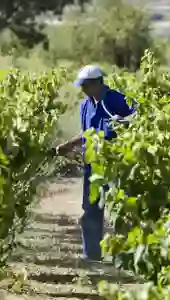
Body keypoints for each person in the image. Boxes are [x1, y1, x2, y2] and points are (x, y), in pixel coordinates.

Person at [55, 65, 135, 261]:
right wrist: (68, 145)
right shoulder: (85, 105)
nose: (83, 89)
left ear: (98, 83)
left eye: (86, 85)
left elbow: (136, 120)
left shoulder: (116, 99)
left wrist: (123, 123)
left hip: (116, 162)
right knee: (90, 209)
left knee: (121, 209)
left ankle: (124, 257)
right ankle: (91, 256)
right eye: (82, 86)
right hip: (93, 165)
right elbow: (86, 134)